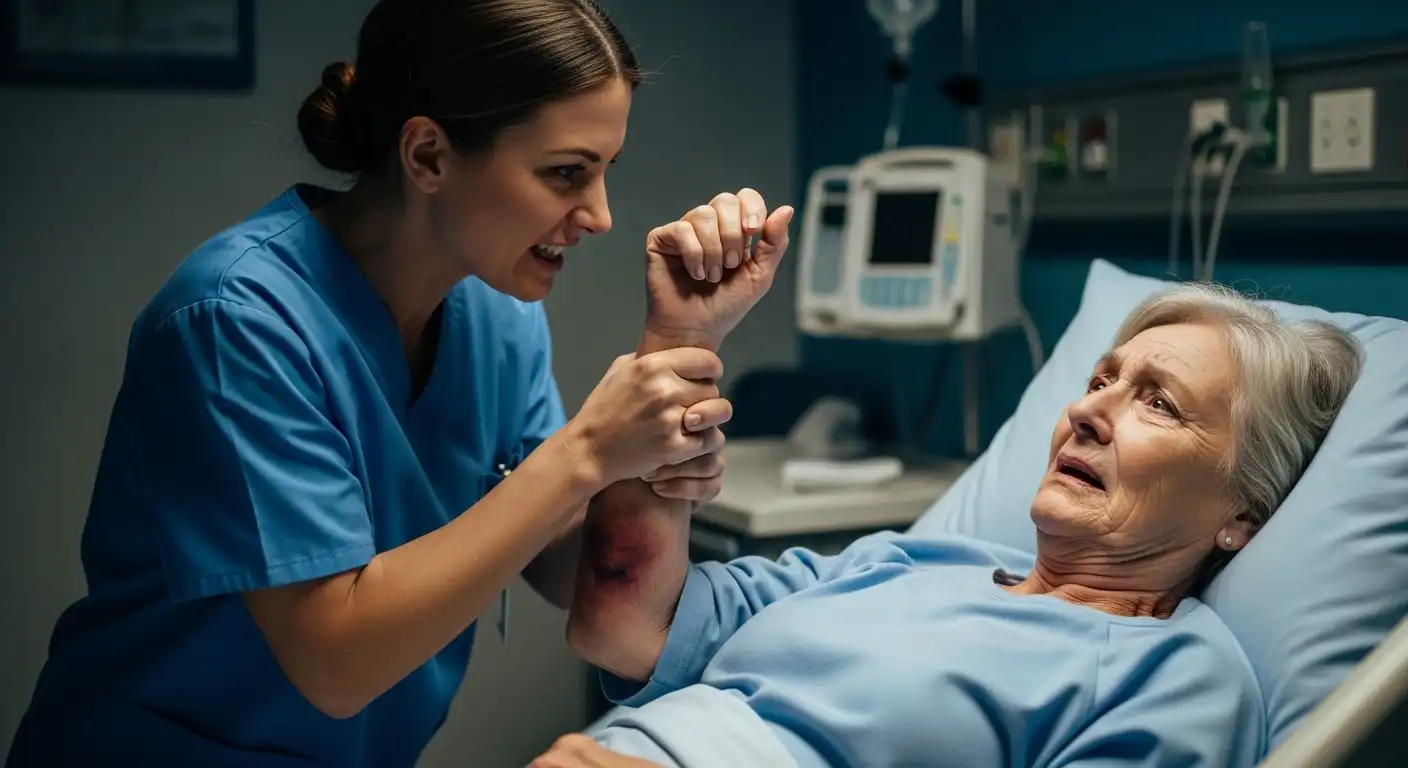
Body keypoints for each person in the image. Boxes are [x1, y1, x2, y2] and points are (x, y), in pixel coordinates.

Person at [6, 1, 795, 765]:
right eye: (565, 173)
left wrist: (676, 348)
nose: (600, 215)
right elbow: (335, 663)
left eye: (604, 172)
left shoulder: (496, 313)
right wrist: (589, 451)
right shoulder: (237, 318)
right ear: (427, 156)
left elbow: (566, 570)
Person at [543, 284, 1364, 768]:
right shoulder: (916, 557)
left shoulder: (1177, 678)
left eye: (1158, 403)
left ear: (1241, 516)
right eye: (1101, 381)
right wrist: (682, 339)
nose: (1085, 412)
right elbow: (624, 615)